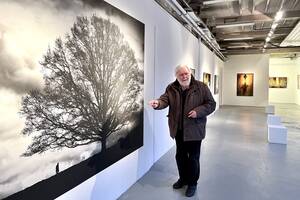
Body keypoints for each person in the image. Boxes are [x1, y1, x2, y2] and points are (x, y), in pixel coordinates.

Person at [149, 64, 216, 197]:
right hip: (178, 130)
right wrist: (158, 103)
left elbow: (211, 104)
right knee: (180, 156)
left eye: (186, 73)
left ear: (190, 73)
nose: (184, 76)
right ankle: (183, 179)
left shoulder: (201, 87)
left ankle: (192, 184)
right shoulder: (171, 87)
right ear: (176, 76)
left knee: (193, 158)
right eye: (181, 74)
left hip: (194, 130)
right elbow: (164, 99)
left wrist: (198, 112)